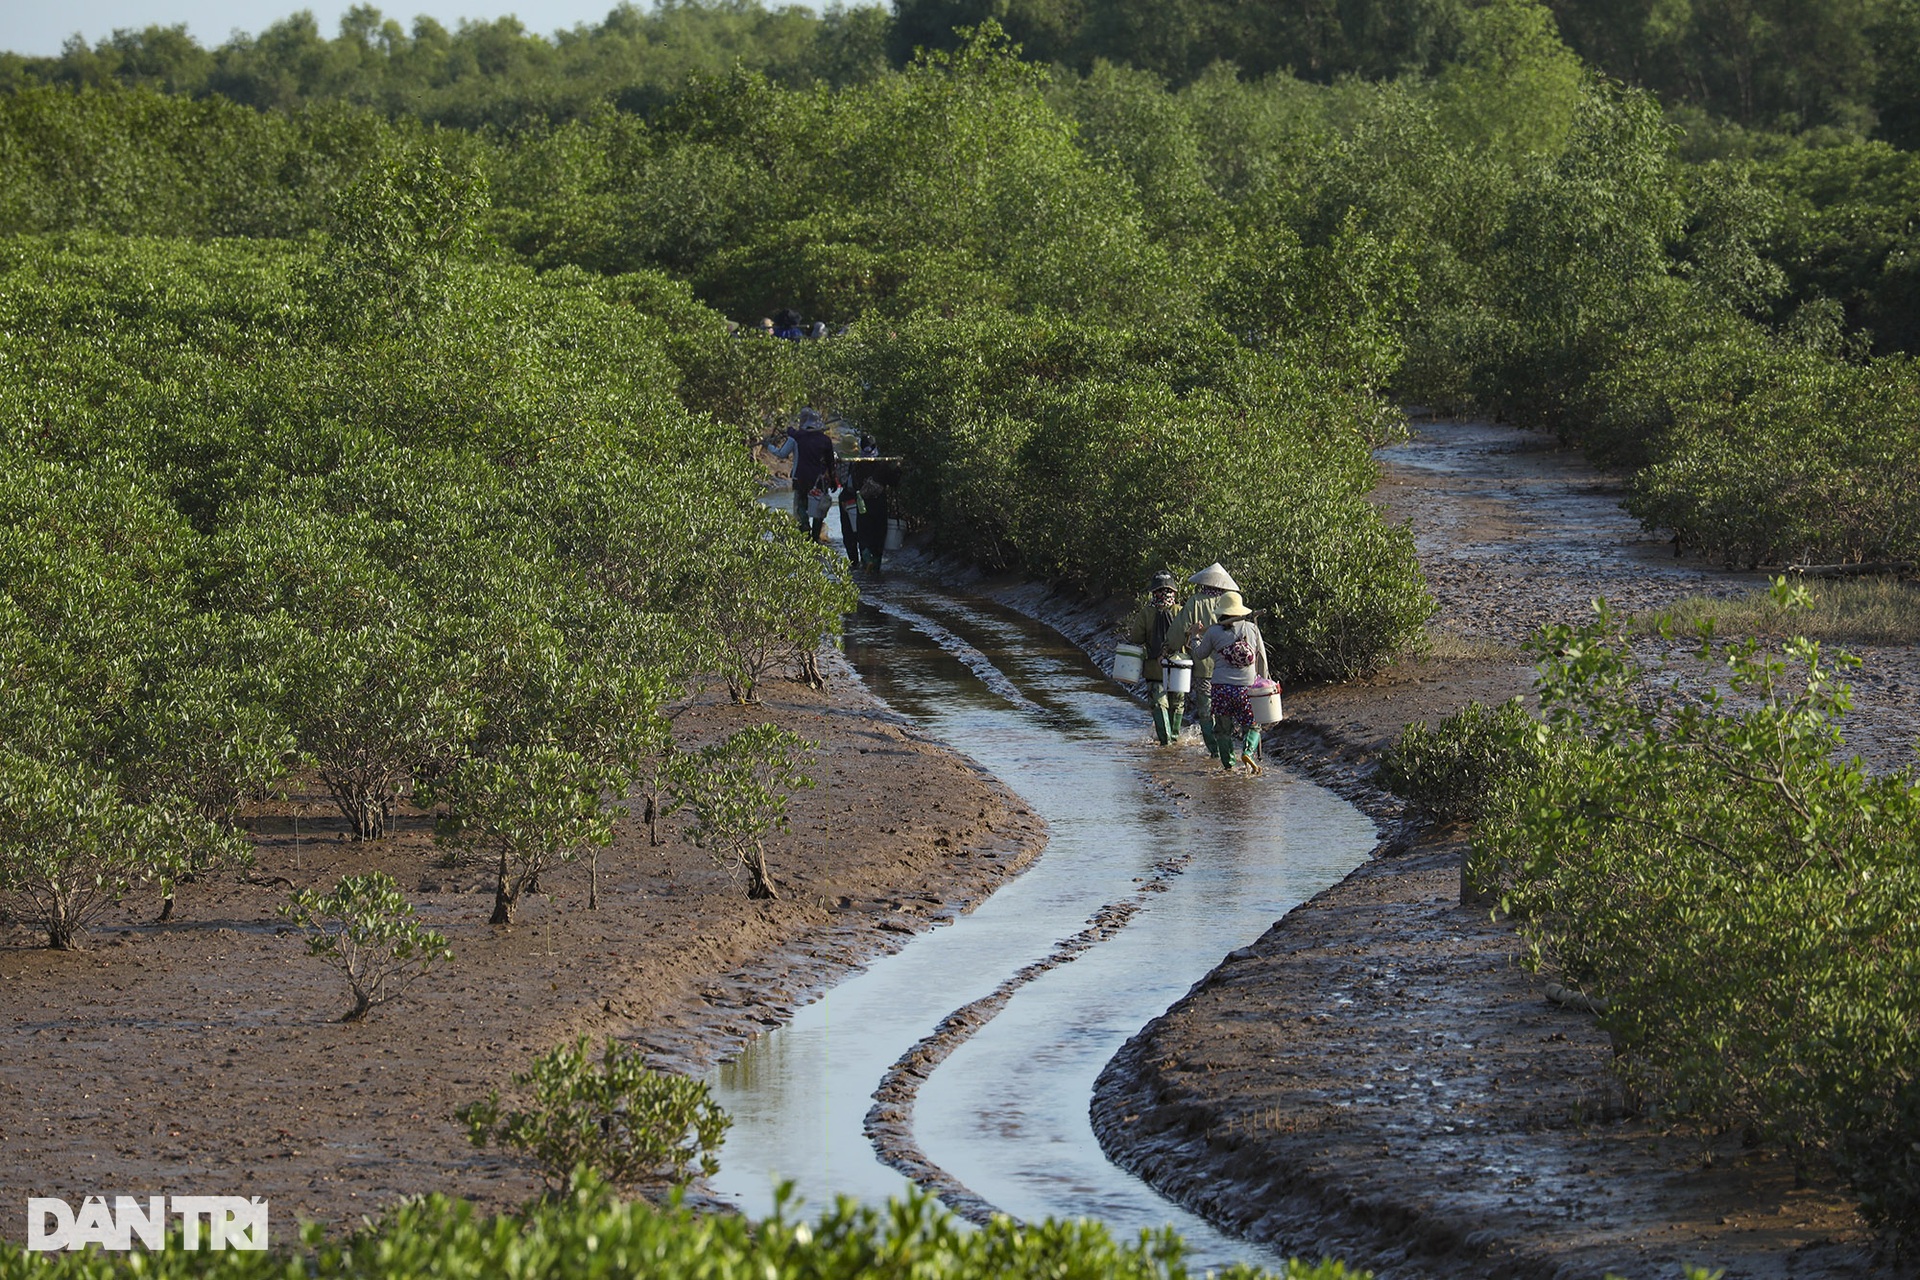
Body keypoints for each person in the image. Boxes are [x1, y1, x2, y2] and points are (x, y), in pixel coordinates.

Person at [1187, 591, 1271, 774]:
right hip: (1246, 689)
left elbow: (1200, 654)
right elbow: (1261, 658)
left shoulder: (1214, 631)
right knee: (1253, 724)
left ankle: (1228, 766)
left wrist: (1194, 636)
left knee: (1223, 729)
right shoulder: (1251, 628)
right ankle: (1248, 751)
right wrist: (1264, 684)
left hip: (1221, 688)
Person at [1174, 562, 1240, 759]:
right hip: (1228, 667)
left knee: (1205, 710)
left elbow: (1180, 628)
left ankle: (1214, 750)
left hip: (1203, 666)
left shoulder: (1195, 602)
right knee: (1223, 709)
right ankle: (1227, 749)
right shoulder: (1230, 604)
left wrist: (1170, 647)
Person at [1124, 570, 1185, 745]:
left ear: (1153, 592)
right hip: (1179, 666)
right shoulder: (1180, 611)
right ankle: (1173, 738)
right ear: (1173, 591)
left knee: (1159, 703)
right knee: (1177, 704)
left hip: (1154, 667)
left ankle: (1166, 743)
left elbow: (1136, 638)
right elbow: (1188, 639)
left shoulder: (1146, 613)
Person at [767, 409, 837, 537]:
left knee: (801, 507)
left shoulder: (797, 437)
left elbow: (782, 453)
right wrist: (833, 480)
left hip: (801, 478)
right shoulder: (825, 440)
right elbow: (830, 463)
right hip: (819, 480)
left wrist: (769, 446)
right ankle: (816, 538)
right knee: (819, 510)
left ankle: (805, 529)